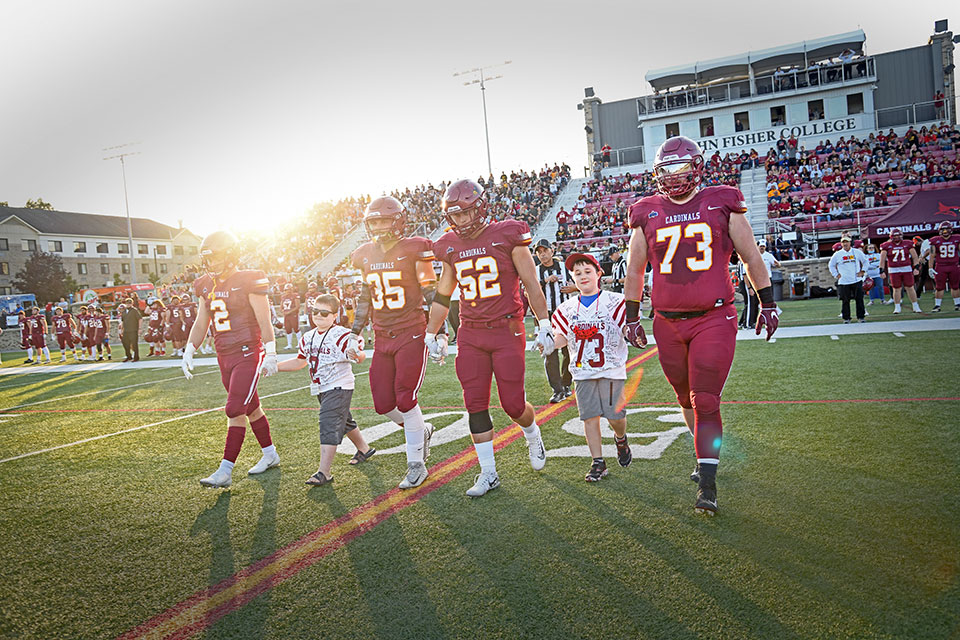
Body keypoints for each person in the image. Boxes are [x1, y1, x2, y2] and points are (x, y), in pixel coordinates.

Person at [622, 135, 779, 516]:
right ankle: (702, 456)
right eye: (666, 170)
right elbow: (635, 268)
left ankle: (707, 485)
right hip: (667, 322)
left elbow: (750, 256)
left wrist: (767, 302)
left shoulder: (721, 201)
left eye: (680, 168)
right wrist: (630, 316)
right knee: (684, 397)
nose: (674, 177)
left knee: (705, 399)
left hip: (714, 316)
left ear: (697, 167)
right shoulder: (645, 210)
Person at [426, 179, 554, 498]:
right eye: (455, 216)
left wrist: (545, 322)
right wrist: (432, 331)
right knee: (475, 404)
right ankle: (488, 472)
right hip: (470, 332)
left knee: (512, 403)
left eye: (466, 214)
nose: (461, 221)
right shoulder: (448, 244)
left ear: (481, 207)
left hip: (507, 327)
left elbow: (530, 282)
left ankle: (532, 432)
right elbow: (443, 294)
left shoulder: (507, 234)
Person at [346, 196, 437, 489]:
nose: (379, 227)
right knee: (383, 402)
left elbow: (430, 290)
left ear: (398, 221)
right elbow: (365, 296)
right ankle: (421, 430)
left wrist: (440, 330)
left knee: (405, 397)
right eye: (373, 221)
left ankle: (416, 464)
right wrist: (354, 331)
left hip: (411, 330)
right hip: (382, 335)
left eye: (384, 220)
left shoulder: (415, 248)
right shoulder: (364, 254)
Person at [180, 231, 280, 489]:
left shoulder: (249, 279)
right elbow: (202, 321)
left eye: (214, 257)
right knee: (251, 408)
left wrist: (271, 351)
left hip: (248, 351)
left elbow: (263, 318)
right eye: (207, 258)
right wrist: (190, 348)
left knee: (234, 409)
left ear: (230, 255)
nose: (209, 263)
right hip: (223, 354)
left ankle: (225, 471)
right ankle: (270, 454)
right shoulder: (204, 283)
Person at [276, 295, 375, 485]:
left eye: (324, 312)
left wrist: (356, 354)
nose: (319, 316)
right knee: (344, 421)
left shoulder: (343, 335)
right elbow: (300, 361)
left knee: (328, 423)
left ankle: (324, 472)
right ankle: (364, 448)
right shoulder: (308, 336)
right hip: (321, 387)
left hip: (339, 386)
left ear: (334, 315)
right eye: (315, 311)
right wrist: (275, 366)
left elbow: (360, 355)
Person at [551, 253, 633, 482]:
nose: (583, 276)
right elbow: (562, 337)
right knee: (589, 417)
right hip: (582, 370)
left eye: (587, 271)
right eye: (577, 273)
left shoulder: (615, 301)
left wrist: (633, 335)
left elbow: (626, 328)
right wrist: (549, 343)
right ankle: (598, 461)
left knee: (615, 416)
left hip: (611, 368)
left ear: (599, 273)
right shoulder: (566, 309)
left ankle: (620, 437)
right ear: (572, 279)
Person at [534, 239, 573, 403]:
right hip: (546, 316)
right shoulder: (536, 270)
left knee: (569, 351)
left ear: (552, 251)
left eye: (545, 251)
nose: (542, 254)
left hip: (565, 314)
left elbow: (580, 281)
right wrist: (545, 281)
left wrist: (575, 288)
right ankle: (557, 390)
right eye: (539, 252)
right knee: (549, 353)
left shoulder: (564, 267)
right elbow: (529, 290)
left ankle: (566, 384)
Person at [880, 229, 922, 314]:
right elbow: (882, 259)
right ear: (891, 237)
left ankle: (915, 305)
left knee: (910, 287)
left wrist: (916, 267)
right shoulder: (886, 245)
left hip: (906, 268)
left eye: (898, 235)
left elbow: (915, 256)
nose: (896, 237)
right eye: (894, 236)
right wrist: (881, 270)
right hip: (893, 269)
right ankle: (897, 307)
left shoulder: (908, 243)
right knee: (896, 288)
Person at [828, 235, 868, 323]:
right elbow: (831, 265)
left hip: (856, 280)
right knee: (845, 301)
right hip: (844, 281)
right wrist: (836, 274)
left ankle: (861, 317)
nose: (845, 244)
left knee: (859, 299)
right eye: (843, 242)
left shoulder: (857, 252)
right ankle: (846, 318)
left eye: (847, 242)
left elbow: (865, 261)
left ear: (850, 242)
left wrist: (863, 271)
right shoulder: (837, 254)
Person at [927, 221, 960, 311]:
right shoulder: (935, 240)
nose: (945, 231)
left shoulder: (957, 238)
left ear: (951, 230)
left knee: (955, 286)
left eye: (946, 229)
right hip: (941, 266)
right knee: (939, 287)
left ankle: (957, 304)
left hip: (954, 265)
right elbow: (932, 255)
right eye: (943, 229)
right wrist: (930, 268)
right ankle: (937, 306)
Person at [120, 297, 143, 361]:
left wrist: (140, 328)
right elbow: (122, 321)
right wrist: (122, 329)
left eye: (130, 303)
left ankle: (136, 357)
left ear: (132, 304)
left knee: (134, 344)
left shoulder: (134, 310)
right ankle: (128, 356)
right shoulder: (124, 311)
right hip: (126, 330)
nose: (128, 305)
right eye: (127, 303)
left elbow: (140, 319)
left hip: (133, 330)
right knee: (125, 343)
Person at [280, 283, 301, 350]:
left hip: (293, 315)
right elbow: (281, 307)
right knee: (288, 329)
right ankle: (289, 344)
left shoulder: (295, 295)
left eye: (289, 289)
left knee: (296, 328)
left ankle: (299, 343)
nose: (288, 291)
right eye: (286, 290)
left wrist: (290, 311)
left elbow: (298, 306)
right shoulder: (283, 297)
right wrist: (282, 311)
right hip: (286, 315)